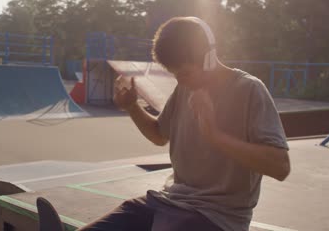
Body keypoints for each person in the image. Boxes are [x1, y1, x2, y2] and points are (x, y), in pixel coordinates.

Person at [79, 17, 291, 231]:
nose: (180, 81)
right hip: (168, 202)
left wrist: (214, 135)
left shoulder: (249, 90)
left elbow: (280, 166)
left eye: (185, 73)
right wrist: (132, 107)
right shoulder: (184, 89)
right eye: (175, 75)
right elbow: (159, 135)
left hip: (217, 217)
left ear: (208, 58)